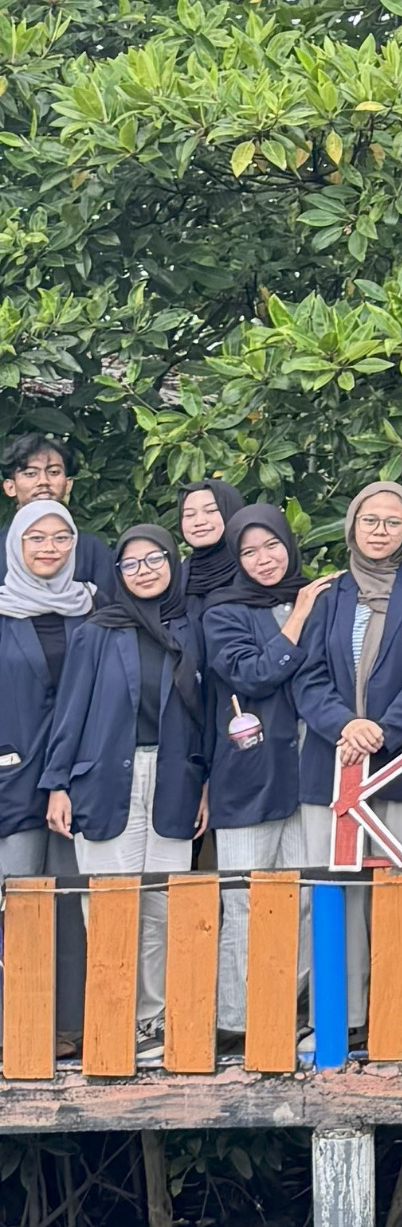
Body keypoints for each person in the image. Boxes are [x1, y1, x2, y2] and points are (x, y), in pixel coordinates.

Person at [40, 526, 212, 1068]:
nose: (144, 571)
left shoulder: (191, 627)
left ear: (172, 563)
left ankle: (153, 1021)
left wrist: (205, 780)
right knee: (112, 905)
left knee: (163, 908)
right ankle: (112, 1018)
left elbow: (206, 712)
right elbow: (70, 710)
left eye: (154, 559)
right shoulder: (97, 630)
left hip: (174, 780)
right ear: (117, 575)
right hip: (105, 779)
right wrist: (57, 783)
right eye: (131, 564)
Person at [292, 481, 402, 1029]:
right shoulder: (328, 593)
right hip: (334, 764)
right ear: (353, 526)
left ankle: (395, 1015)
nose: (381, 531)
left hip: (399, 764)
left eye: (393, 522)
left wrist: (381, 732)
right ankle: (340, 1018)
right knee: (336, 895)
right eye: (371, 520)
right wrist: (347, 725)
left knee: (398, 891)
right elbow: (307, 674)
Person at [201, 506, 333, 1038]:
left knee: (304, 899)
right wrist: (298, 616)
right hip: (249, 773)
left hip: (312, 772)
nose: (264, 559)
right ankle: (237, 1020)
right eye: (249, 551)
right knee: (246, 900)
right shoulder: (223, 611)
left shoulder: (324, 601)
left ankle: (286, 1006)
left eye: (271, 546)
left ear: (288, 543)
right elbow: (251, 675)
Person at [0, 503, 94, 1052]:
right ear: (16, 544)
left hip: (77, 779)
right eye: (36, 537)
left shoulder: (93, 610)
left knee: (72, 905)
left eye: (61, 537)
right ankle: (16, 1028)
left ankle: (67, 1031)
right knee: (15, 899)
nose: (49, 547)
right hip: (11, 776)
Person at [1, 433, 112, 588]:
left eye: (53, 472)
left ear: (68, 485)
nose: (43, 482)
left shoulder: (91, 550)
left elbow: (113, 608)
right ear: (10, 487)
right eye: (30, 474)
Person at [173, 480, 246, 618]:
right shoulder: (177, 578)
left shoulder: (256, 569)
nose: (199, 522)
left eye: (211, 510)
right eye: (189, 514)